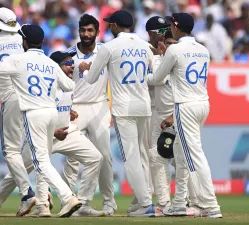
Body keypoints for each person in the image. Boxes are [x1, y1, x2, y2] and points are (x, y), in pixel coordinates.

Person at [0, 51, 105, 217]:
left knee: (95, 158)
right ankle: (34, 205)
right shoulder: (47, 89)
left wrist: (69, 112)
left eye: (72, 62)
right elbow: (41, 116)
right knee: (22, 171)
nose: (72, 66)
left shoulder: (67, 84)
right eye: (67, 63)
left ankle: (81, 202)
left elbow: (62, 103)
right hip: (46, 133)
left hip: (67, 133)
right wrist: (54, 130)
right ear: (56, 67)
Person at [79, 10, 155, 217]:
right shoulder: (144, 45)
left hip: (124, 108)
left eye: (109, 24)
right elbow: (154, 75)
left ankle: (146, 203)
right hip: (144, 106)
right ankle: (142, 200)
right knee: (142, 155)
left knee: (131, 158)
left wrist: (85, 68)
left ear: (113, 25)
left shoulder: (110, 47)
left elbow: (91, 78)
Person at [148, 12, 222, 218]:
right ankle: (180, 202)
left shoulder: (176, 50)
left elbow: (156, 78)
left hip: (185, 106)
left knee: (194, 156)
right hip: (203, 104)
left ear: (177, 27)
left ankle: (209, 204)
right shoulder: (203, 49)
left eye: (172, 24)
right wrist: (167, 57)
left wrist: (141, 76)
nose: (170, 27)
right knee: (181, 154)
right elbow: (178, 73)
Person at [0, 7, 36, 217]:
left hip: (11, 99)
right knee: (25, 157)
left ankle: (28, 193)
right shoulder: (22, 41)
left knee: (11, 152)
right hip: (32, 99)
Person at [64, 14, 116, 216]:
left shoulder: (106, 50)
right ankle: (69, 201)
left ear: (97, 32)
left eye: (90, 30)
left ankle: (109, 202)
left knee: (104, 156)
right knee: (72, 158)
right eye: (83, 30)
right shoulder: (68, 54)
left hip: (99, 106)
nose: (86, 34)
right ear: (78, 31)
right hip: (75, 108)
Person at [145, 16, 173, 216]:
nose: (163, 37)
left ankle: (188, 200)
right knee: (155, 157)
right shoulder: (146, 52)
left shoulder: (174, 54)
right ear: (151, 33)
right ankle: (163, 202)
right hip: (154, 112)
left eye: (166, 32)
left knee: (182, 159)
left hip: (178, 110)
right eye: (160, 32)